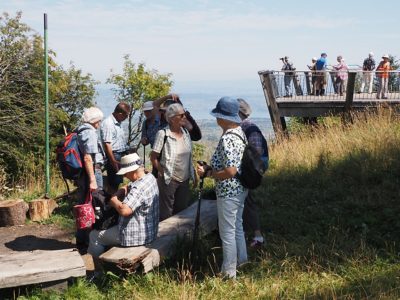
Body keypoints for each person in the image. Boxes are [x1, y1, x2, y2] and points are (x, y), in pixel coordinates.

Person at [197, 96, 248, 279]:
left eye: (218, 115)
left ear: (225, 118)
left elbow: (231, 171)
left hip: (229, 191)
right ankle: (243, 261)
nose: (216, 118)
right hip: (241, 189)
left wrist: (209, 174)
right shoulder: (239, 132)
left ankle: (229, 273)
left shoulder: (228, 139)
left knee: (227, 233)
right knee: (237, 226)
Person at [88, 153, 159, 266]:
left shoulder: (138, 188)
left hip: (135, 236)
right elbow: (131, 186)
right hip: (150, 231)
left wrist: (113, 199)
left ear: (133, 171)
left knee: (94, 236)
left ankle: (97, 272)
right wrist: (122, 190)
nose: (125, 176)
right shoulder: (149, 178)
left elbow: (124, 210)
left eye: (126, 173)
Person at [150, 103, 196, 221]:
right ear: (171, 118)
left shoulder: (185, 133)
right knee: (166, 214)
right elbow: (153, 157)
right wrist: (163, 173)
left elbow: (189, 157)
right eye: (181, 115)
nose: (184, 117)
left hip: (184, 179)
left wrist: (194, 174)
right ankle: (164, 238)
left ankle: (179, 238)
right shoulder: (163, 134)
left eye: (184, 114)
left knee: (181, 213)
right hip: (169, 180)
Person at [237, 98, 268, 247]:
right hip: (247, 172)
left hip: (250, 173)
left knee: (248, 202)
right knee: (245, 201)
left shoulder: (249, 129)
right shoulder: (246, 127)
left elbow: (256, 152)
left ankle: (257, 236)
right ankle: (245, 232)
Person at [75, 107, 105, 250]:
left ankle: (82, 239)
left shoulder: (80, 130)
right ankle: (91, 240)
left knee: (85, 205)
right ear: (94, 121)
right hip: (91, 173)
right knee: (94, 205)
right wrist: (93, 180)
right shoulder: (89, 132)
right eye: (99, 121)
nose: (99, 124)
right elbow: (88, 158)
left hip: (84, 174)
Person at [100, 102, 131, 194]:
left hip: (120, 154)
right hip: (114, 155)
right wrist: (113, 161)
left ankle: (113, 200)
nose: (126, 118)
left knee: (118, 181)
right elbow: (107, 144)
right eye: (125, 116)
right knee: (114, 182)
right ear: (120, 114)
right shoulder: (108, 123)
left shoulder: (118, 122)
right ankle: (111, 203)